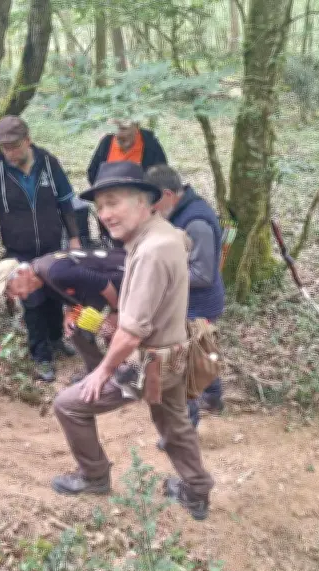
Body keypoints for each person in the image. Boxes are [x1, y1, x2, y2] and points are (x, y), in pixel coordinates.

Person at [50, 161, 215, 521]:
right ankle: (196, 490)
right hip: (173, 352)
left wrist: (102, 371)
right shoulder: (167, 234)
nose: (106, 213)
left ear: (145, 202)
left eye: (114, 202)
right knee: (173, 423)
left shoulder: (152, 250)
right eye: (101, 206)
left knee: (69, 404)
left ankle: (93, 477)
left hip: (149, 363)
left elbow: (133, 331)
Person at [0, 115, 81, 382]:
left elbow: (66, 203)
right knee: (33, 301)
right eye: (5, 147)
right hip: (19, 249)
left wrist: (74, 240)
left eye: (15, 146)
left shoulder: (49, 163)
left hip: (51, 245)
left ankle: (56, 339)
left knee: (53, 293)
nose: (10, 152)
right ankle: (41, 356)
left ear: (28, 140)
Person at [146, 165, 226, 450]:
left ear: (168, 194)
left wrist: (164, 276)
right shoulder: (182, 213)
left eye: (153, 202)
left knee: (184, 370)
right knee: (205, 355)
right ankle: (214, 396)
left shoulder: (196, 222)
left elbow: (203, 274)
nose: (151, 210)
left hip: (198, 305)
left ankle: (182, 435)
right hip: (194, 304)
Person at [0, 246, 127, 378]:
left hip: (123, 277)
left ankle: (130, 372)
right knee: (77, 329)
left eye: (9, 288)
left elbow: (101, 281)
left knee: (118, 330)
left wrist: (116, 312)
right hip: (97, 290)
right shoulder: (40, 276)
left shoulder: (54, 273)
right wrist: (69, 313)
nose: (12, 295)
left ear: (20, 273)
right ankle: (98, 372)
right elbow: (70, 292)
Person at [76, 119, 168, 248]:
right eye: (116, 130)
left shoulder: (149, 144)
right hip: (112, 217)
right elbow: (92, 172)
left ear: (136, 126)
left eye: (123, 129)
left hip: (139, 215)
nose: (119, 134)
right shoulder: (107, 143)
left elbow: (160, 177)